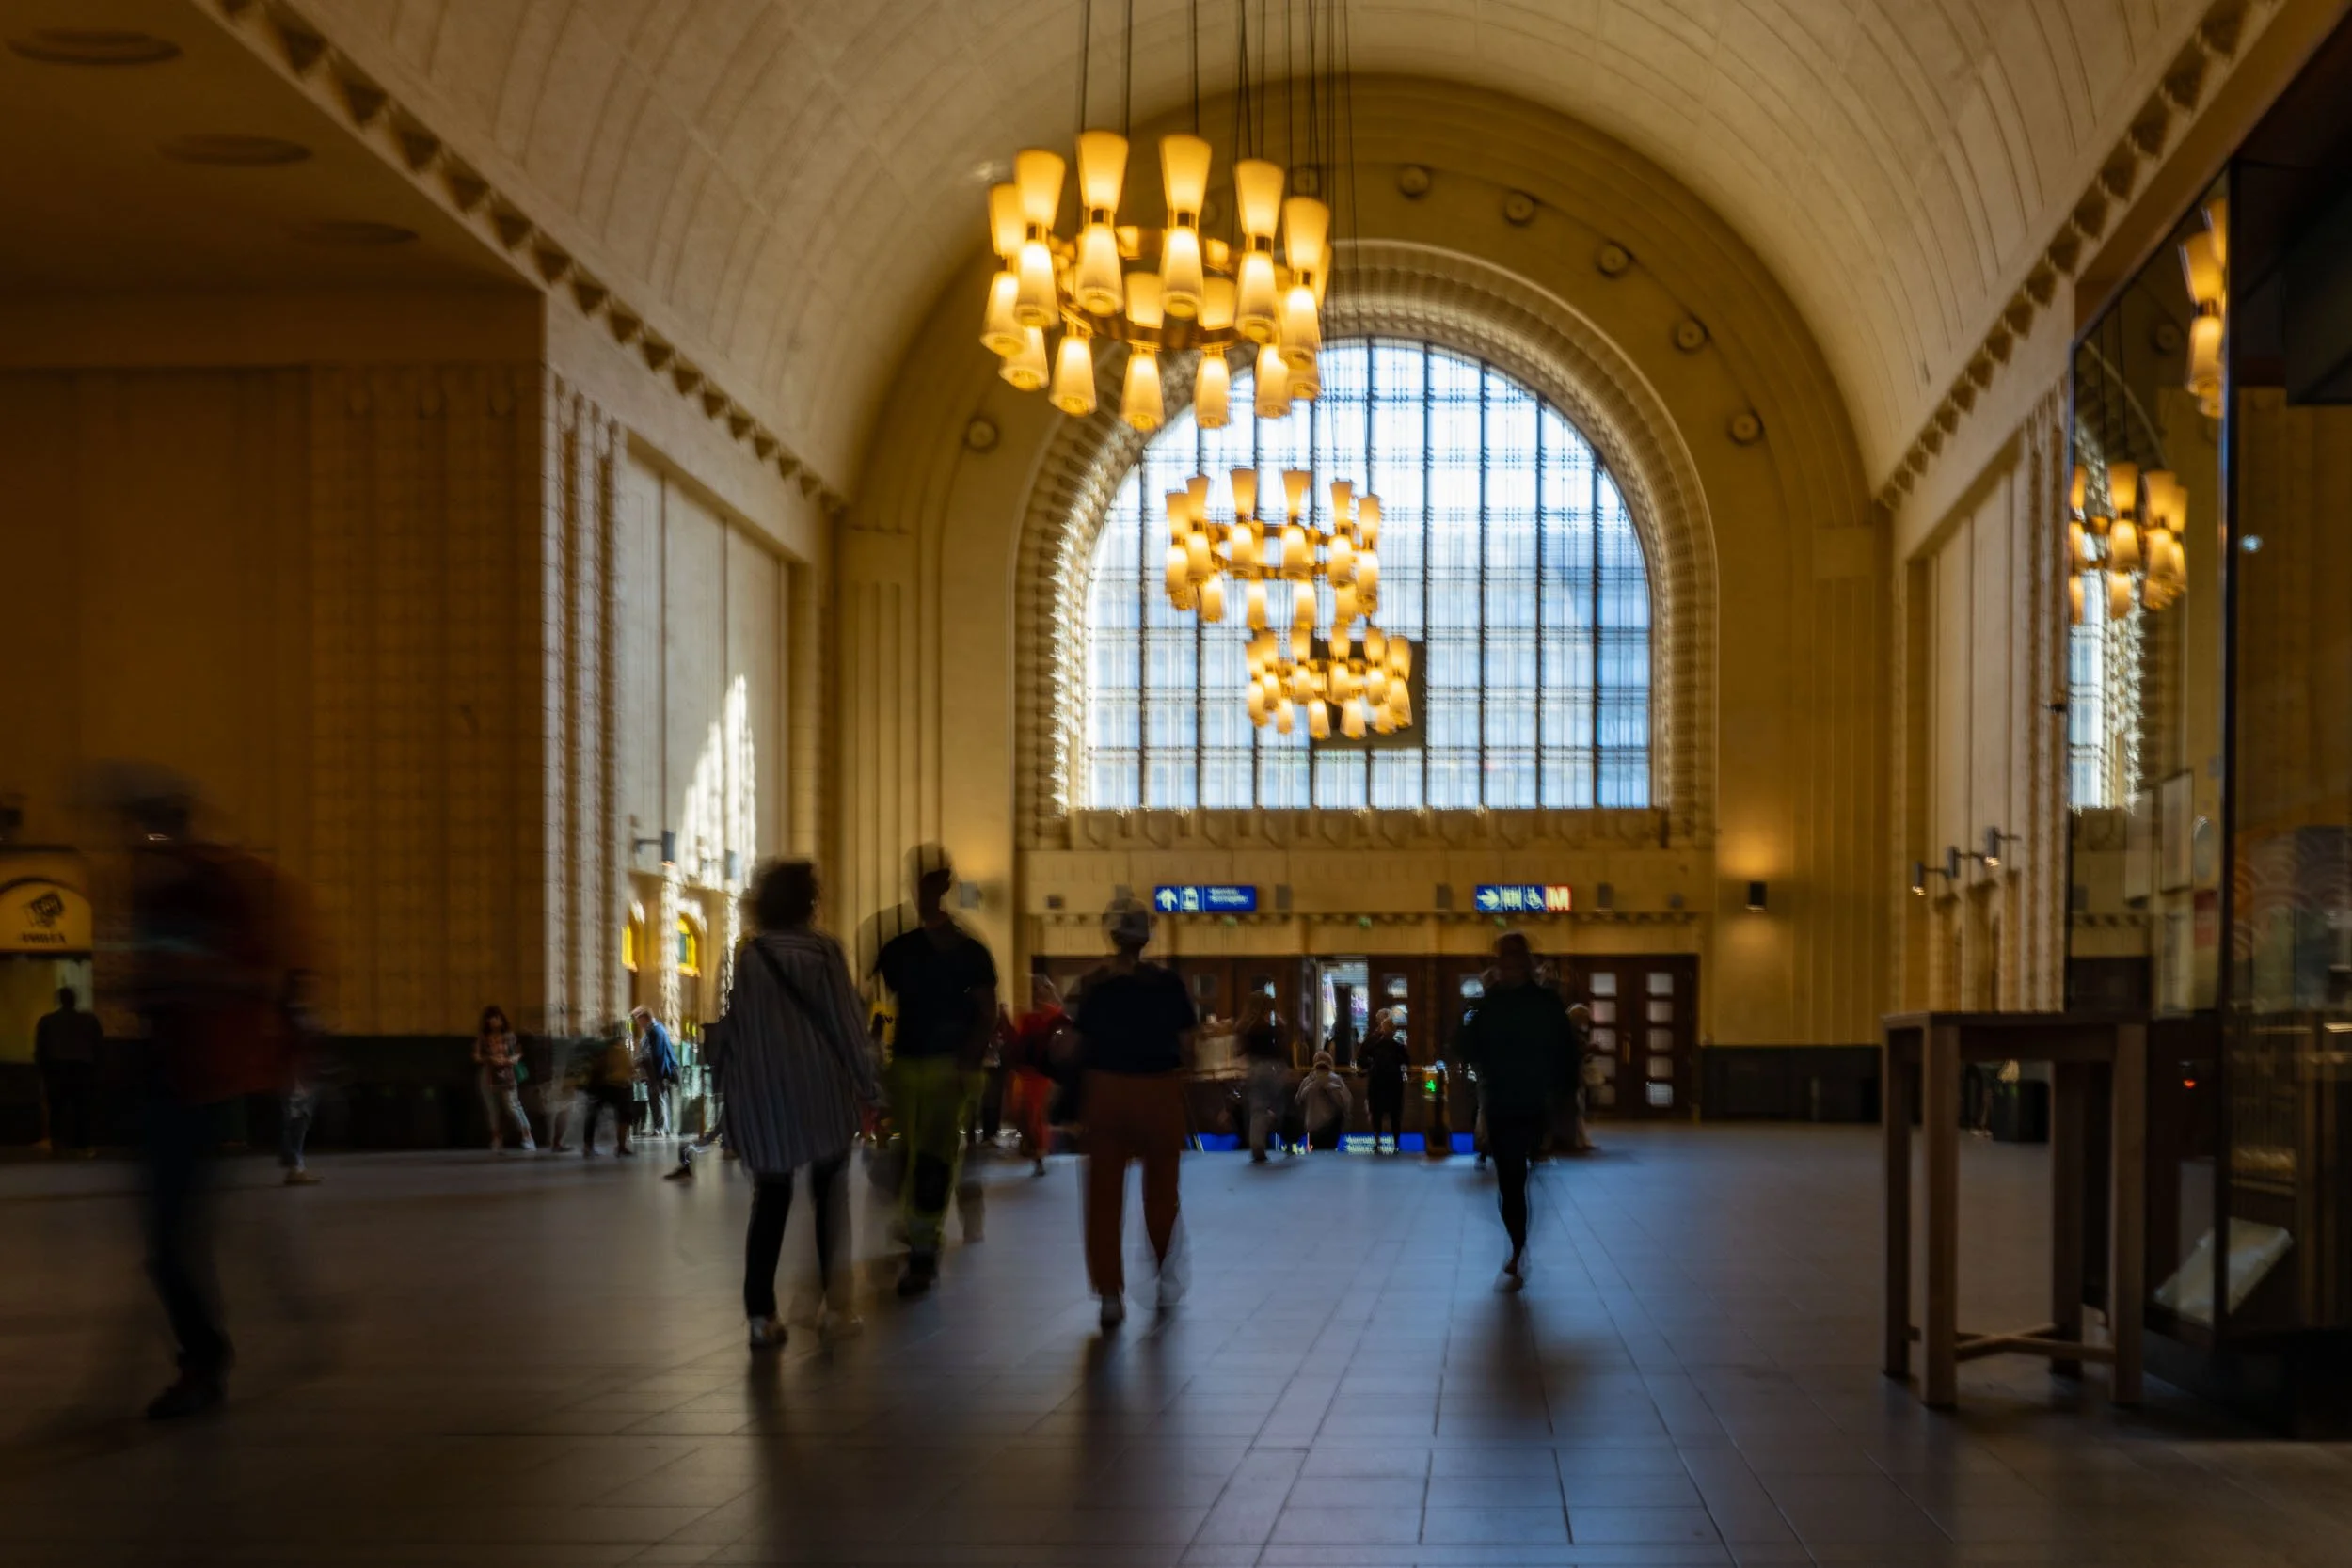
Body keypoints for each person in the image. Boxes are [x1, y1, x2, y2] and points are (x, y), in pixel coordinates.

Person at [104, 768, 313, 1418]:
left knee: (171, 1241)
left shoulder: (200, 886)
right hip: (176, 1075)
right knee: (172, 1239)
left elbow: (237, 973)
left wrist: (164, 980)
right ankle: (209, 1351)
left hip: (195, 1080)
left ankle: (204, 1360)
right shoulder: (174, 888)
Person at [724, 859, 882, 1347]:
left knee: (769, 1201)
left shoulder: (750, 955)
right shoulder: (822, 950)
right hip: (820, 1090)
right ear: (808, 901)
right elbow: (846, 1025)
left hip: (764, 1094)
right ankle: (836, 1308)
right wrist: (870, 1087)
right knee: (830, 1195)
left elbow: (737, 1029)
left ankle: (760, 1315)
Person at [870, 846, 996, 1297]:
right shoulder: (897, 947)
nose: (922, 888)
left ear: (944, 885)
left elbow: (986, 1012)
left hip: (946, 1067)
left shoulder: (967, 951)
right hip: (907, 1063)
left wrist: (967, 1061)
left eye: (931, 880)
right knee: (912, 1155)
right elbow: (877, 1009)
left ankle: (924, 1248)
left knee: (932, 1158)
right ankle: (918, 1227)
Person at [1073, 896, 1195, 1328]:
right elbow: (1188, 1046)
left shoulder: (1094, 985)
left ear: (1110, 934)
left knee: (1104, 1197)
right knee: (1162, 1192)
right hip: (1159, 1093)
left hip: (1105, 1092)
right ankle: (1162, 1272)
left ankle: (1110, 1293)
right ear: (1146, 938)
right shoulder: (1168, 984)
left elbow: (1076, 1044)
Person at [1457, 931, 1576, 1290]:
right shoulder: (1494, 1004)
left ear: (1525, 963)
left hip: (1531, 1100)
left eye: (1512, 960)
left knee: (1515, 1177)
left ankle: (1518, 1243)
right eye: (1502, 960)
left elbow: (1564, 1052)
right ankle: (1518, 1243)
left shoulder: (1543, 1003)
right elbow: (1465, 1043)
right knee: (1511, 1180)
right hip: (1503, 1101)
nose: (1507, 966)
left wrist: (1562, 1103)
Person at [34, 986, 103, 1157]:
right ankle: (84, 1143)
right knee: (82, 1108)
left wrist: (43, 1070)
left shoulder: (48, 1021)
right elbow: (98, 1046)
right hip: (82, 1068)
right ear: (75, 1000)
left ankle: (58, 1143)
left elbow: (41, 1048)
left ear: (59, 1000)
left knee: (57, 1108)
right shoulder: (89, 1020)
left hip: (57, 1068)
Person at [1007, 975, 1066, 1176]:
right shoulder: (1031, 1017)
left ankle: (1038, 1152)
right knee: (1027, 1111)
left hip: (1037, 1071)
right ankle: (1035, 1148)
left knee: (1035, 1112)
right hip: (1029, 1071)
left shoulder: (1046, 1016)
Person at [1237, 991, 1290, 1163]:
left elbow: (1241, 1050)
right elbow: (1279, 1051)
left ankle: (1257, 1145)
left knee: (1257, 1109)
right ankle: (1278, 1128)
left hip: (1253, 1069)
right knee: (1281, 1105)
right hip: (1271, 1069)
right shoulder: (1270, 1028)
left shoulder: (1245, 1027)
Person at [474, 1006, 534, 1152]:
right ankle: (496, 1139)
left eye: (497, 1018)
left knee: (512, 1105)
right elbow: (476, 1055)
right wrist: (490, 1058)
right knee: (492, 1108)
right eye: (491, 1019)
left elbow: (519, 1053)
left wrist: (511, 1059)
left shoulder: (509, 1035)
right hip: (488, 1072)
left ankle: (527, 1136)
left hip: (507, 1072)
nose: (494, 1021)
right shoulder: (483, 1037)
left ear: (502, 1019)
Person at [578, 1022, 637, 1157]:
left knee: (593, 1115)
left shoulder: (598, 1048)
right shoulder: (619, 1048)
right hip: (619, 1086)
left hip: (602, 1086)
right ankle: (621, 1146)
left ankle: (588, 1146)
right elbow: (630, 1068)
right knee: (623, 1116)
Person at [1360, 1008, 1409, 1154]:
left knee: (1377, 1112)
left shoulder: (1374, 1046)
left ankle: (1377, 1141)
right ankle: (1396, 1143)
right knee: (1395, 1113)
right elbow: (1406, 1061)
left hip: (1377, 1082)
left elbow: (1362, 1058)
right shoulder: (1399, 1047)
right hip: (1394, 1083)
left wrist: (1370, 1066)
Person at [632, 1006, 679, 1136]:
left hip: (657, 1073)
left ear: (645, 1018)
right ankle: (662, 1128)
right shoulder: (654, 1030)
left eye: (639, 1020)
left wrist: (656, 1077)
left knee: (658, 1100)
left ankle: (661, 1129)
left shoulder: (655, 1031)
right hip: (654, 1073)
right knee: (658, 1100)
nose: (639, 1024)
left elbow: (657, 1055)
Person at [1295, 1051, 1351, 1150]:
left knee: (1315, 1153)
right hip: (1332, 1125)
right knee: (1329, 1152)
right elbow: (1346, 1102)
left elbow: (1298, 1100)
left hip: (1312, 1126)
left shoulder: (1307, 1081)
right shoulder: (1336, 1080)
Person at [1565, 1002, 1597, 1155]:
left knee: (1578, 1108)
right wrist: (1588, 1049)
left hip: (1573, 1075)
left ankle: (1581, 1140)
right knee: (1576, 1109)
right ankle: (1577, 1141)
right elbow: (1574, 1053)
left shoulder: (1572, 1032)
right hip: (1570, 1076)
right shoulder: (1570, 1033)